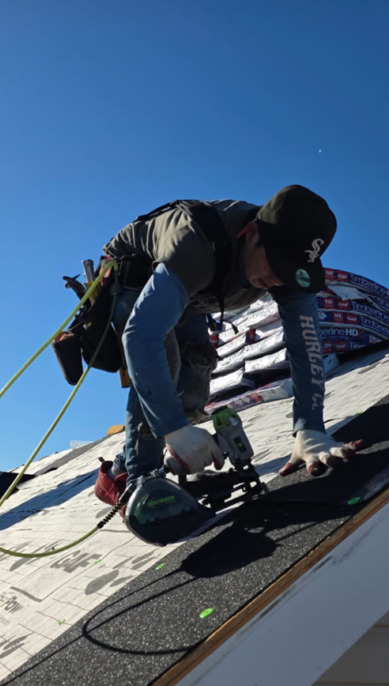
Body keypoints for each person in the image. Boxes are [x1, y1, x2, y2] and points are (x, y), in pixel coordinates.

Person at [93, 185, 358, 509]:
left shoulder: (291, 272)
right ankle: (139, 485)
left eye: (290, 271)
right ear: (250, 232)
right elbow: (141, 337)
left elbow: (306, 347)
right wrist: (174, 430)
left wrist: (310, 429)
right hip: (135, 273)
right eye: (276, 263)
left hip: (194, 285)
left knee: (196, 373)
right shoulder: (194, 245)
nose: (279, 279)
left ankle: (123, 466)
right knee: (166, 361)